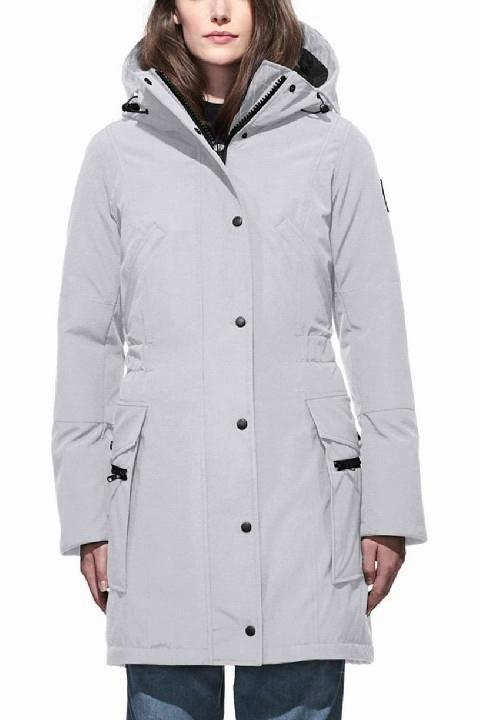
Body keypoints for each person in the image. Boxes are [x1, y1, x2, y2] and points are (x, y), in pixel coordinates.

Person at [51, 1, 428, 718]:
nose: (220, 10)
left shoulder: (335, 149)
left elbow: (376, 330)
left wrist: (389, 509)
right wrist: (87, 518)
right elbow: (86, 339)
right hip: (161, 505)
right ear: (172, 11)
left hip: (303, 499)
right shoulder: (118, 154)